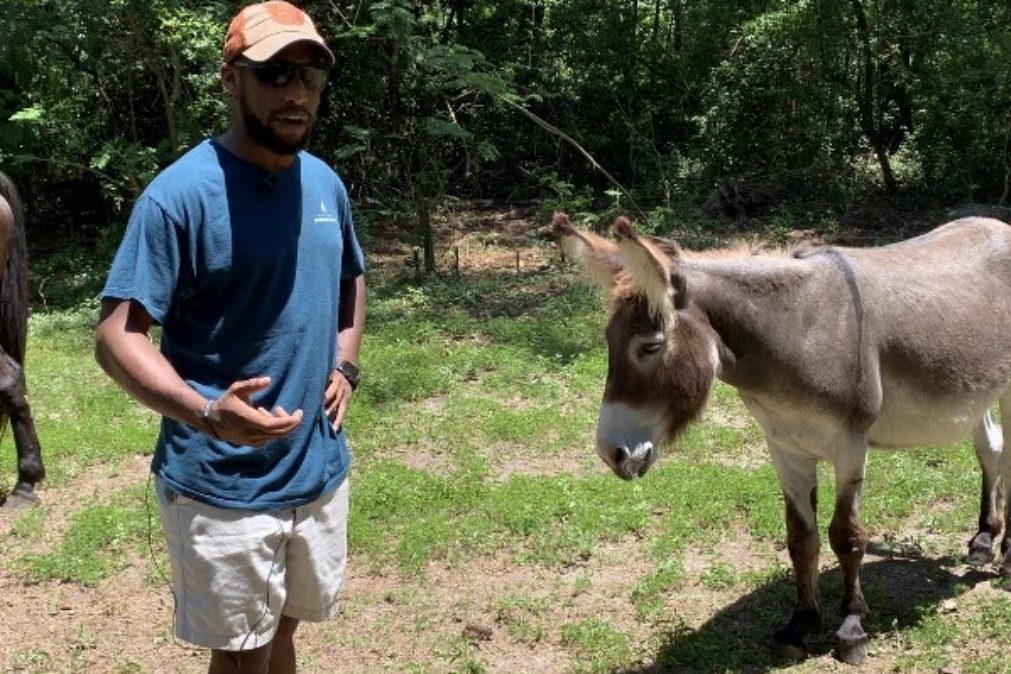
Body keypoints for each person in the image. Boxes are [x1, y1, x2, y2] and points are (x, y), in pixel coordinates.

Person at [94, 3, 366, 673]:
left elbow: (350, 280)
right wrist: (206, 412)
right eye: (274, 75)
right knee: (241, 655)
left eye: (310, 77)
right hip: (222, 485)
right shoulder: (180, 196)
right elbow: (116, 335)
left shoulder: (325, 184)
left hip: (317, 469)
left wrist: (346, 364)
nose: (296, 93)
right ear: (230, 79)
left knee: (285, 633)